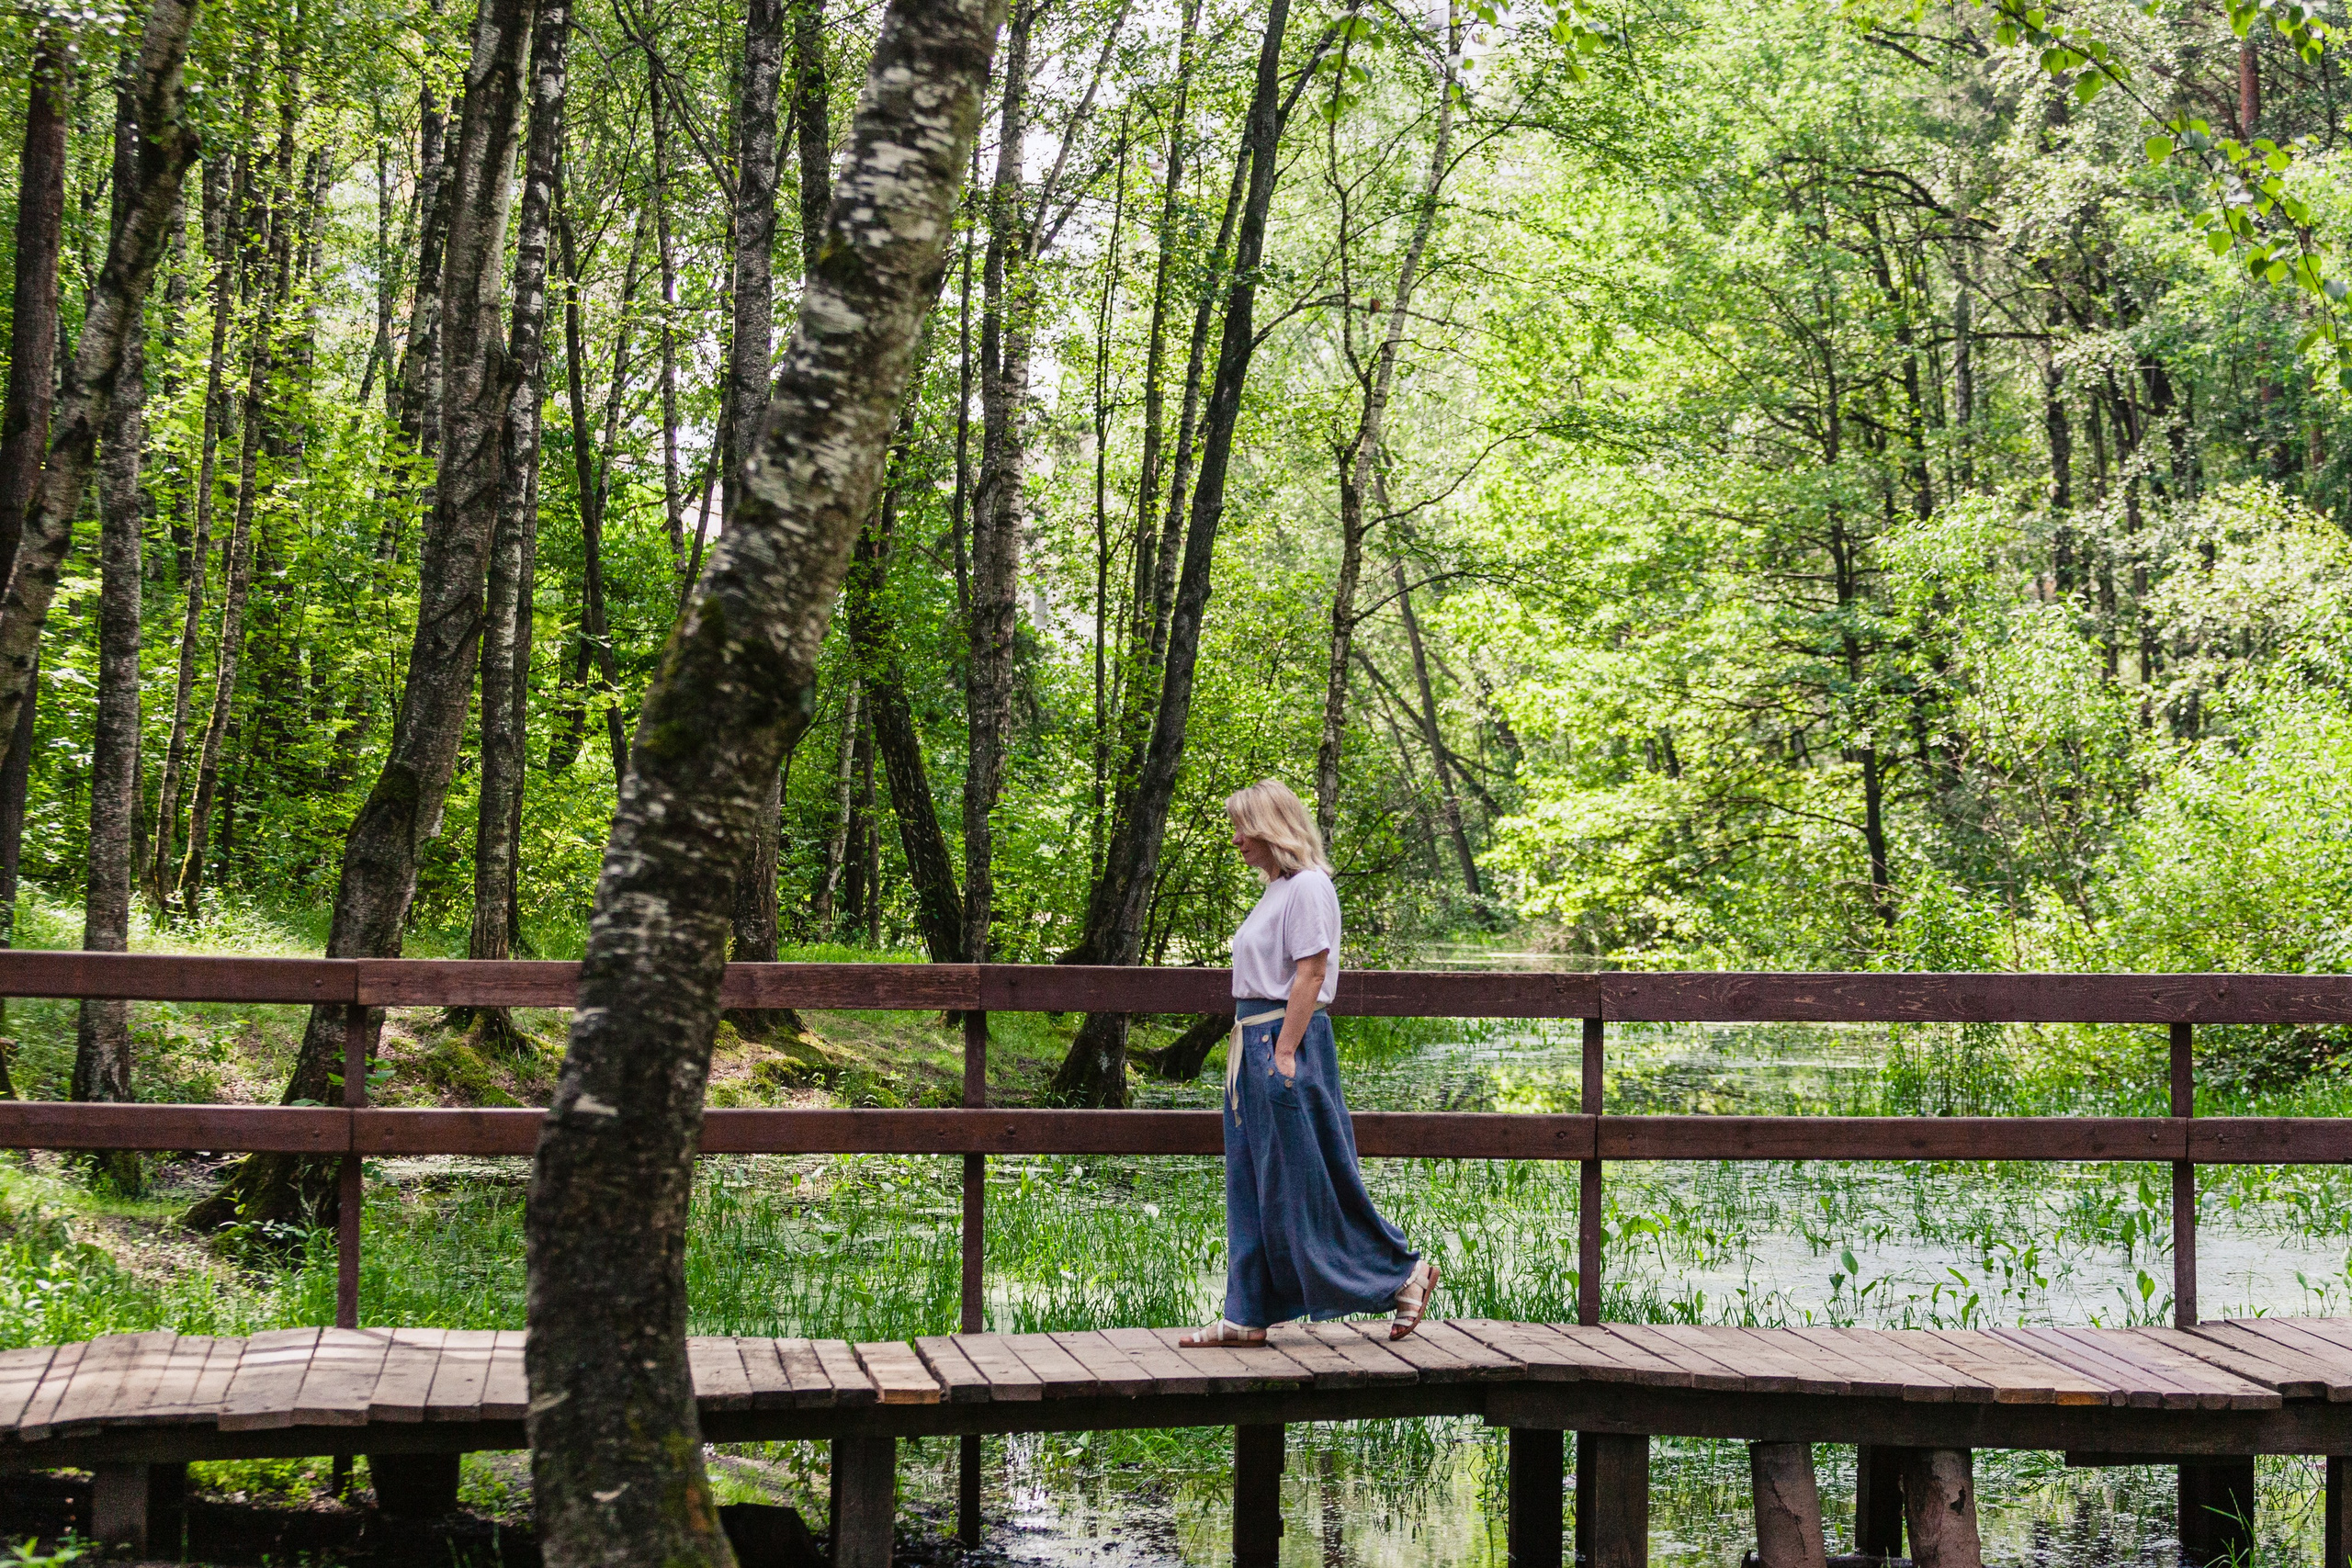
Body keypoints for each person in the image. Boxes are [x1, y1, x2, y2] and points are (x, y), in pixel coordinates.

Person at [1181, 778, 1439, 1347]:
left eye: (1243, 827)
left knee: (1306, 1180)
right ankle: (1247, 1314)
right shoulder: (1277, 889)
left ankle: (1403, 1272)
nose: (1236, 840)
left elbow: (1313, 973)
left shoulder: (1310, 888)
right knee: (1252, 1183)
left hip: (1282, 1041)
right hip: (1252, 1043)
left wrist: (1285, 1051)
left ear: (1274, 826)